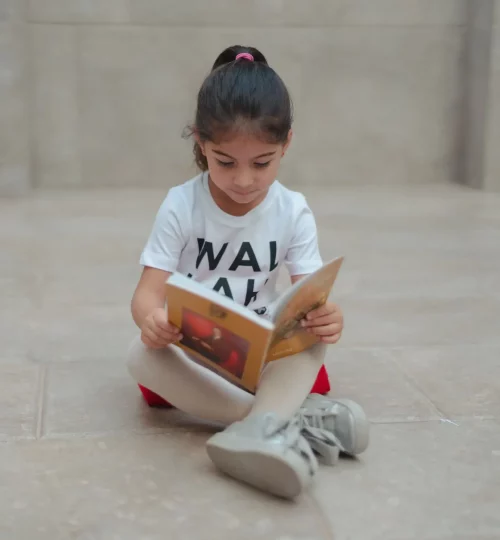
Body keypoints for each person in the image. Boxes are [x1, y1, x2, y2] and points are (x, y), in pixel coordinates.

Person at [127, 45, 369, 499]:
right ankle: (280, 421)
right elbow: (145, 296)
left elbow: (308, 301)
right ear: (200, 142)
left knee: (310, 348)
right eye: (224, 162)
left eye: (262, 163)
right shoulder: (182, 204)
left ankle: (252, 429)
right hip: (194, 357)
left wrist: (327, 318)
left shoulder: (293, 211)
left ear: (287, 144)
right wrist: (152, 322)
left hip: (256, 356)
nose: (243, 181)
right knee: (140, 359)